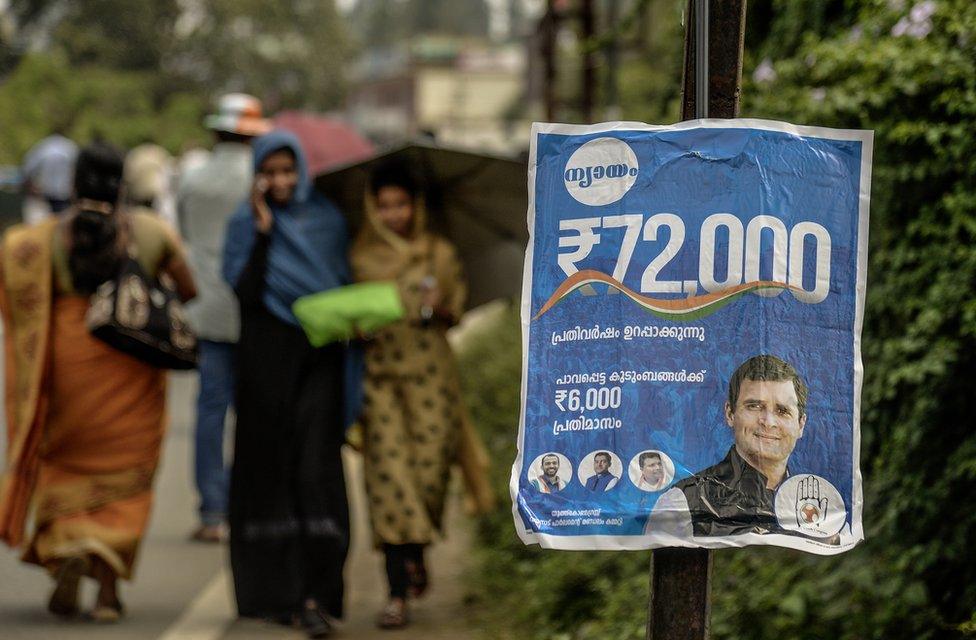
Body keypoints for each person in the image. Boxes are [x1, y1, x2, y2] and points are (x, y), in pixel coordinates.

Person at [0, 143, 197, 622]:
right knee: (125, 480)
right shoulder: (151, 233)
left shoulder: (38, 240)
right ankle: (107, 590)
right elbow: (187, 289)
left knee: (64, 464)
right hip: (129, 372)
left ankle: (69, 546)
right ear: (122, 186)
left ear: (73, 185)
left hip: (68, 372)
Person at [222, 130, 359, 639]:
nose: (280, 181)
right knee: (269, 472)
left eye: (287, 171)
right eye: (270, 172)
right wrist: (261, 234)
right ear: (257, 175)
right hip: (263, 363)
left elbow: (344, 286)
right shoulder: (245, 223)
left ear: (302, 171)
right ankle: (274, 593)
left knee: (313, 470)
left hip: (318, 362)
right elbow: (244, 294)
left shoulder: (328, 221)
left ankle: (315, 595)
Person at [350, 160, 469, 629]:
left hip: (433, 380)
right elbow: (347, 316)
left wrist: (437, 305)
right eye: (383, 206)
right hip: (381, 383)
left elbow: (456, 312)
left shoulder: (439, 252)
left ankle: (417, 552)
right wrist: (355, 326)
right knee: (389, 485)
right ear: (371, 209)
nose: (393, 214)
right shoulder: (359, 256)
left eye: (400, 204)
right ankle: (396, 592)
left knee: (428, 477)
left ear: (415, 207)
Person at [178, 93, 271, 543]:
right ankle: (249, 506)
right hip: (253, 308)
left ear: (216, 131)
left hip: (205, 308)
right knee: (252, 412)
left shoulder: (192, 179)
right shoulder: (260, 181)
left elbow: (183, 234)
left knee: (209, 410)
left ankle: (212, 511)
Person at [646, 354, 807, 537]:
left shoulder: (822, 507)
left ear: (801, 424)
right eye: (754, 406)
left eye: (782, 411)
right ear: (730, 414)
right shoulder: (682, 503)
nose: (768, 422)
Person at [21, 130, 78, 222]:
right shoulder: (71, 147)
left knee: (44, 226)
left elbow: (27, 169)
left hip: (44, 195)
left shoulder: (43, 146)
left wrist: (31, 187)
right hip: (65, 195)